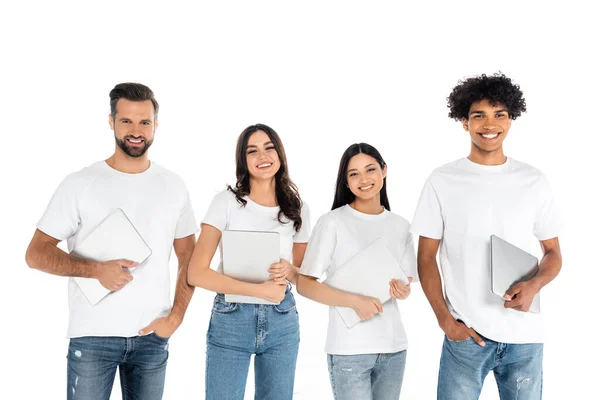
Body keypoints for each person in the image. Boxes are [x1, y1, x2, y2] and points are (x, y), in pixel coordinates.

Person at [25, 83, 198, 400]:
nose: (136, 131)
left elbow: (189, 256)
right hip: (93, 337)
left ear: (155, 125)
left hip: (151, 339)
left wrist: (176, 316)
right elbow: (36, 254)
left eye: (144, 122)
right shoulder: (80, 184)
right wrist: (94, 271)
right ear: (111, 122)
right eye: (126, 121)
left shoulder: (173, 186)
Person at [411, 73, 562, 400]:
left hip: (524, 337)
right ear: (464, 122)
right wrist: (445, 321)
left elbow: (553, 253)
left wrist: (534, 285)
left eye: (499, 114)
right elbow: (425, 257)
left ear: (511, 119)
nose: (489, 124)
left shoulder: (533, 181)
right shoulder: (442, 180)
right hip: (466, 336)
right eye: (478, 115)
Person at [187, 123, 311, 400]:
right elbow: (196, 273)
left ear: (279, 154)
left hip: (282, 319)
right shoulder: (226, 202)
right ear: (243, 160)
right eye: (252, 151)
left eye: (269, 148)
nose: (262, 156)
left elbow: (304, 276)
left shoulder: (297, 208)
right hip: (231, 318)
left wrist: (291, 270)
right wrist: (260, 291)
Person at [297, 143, 417, 400]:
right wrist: (355, 302)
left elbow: (405, 282)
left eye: (370, 169)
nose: (364, 179)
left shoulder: (400, 225)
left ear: (384, 171)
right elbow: (305, 284)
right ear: (346, 182)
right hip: (349, 348)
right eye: (354, 174)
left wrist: (402, 290)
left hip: (393, 347)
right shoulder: (332, 222)